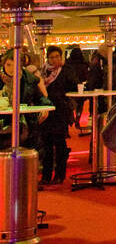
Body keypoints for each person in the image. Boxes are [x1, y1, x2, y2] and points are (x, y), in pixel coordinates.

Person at [0, 50, 51, 162]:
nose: (11, 68)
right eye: (8, 64)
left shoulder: (29, 80)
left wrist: (45, 108)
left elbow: (41, 98)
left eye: (15, 65)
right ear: (3, 64)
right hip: (3, 123)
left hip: (24, 124)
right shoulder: (1, 79)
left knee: (22, 153)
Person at [39, 45, 74, 186]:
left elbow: (73, 85)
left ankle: (60, 174)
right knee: (46, 145)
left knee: (60, 144)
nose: (55, 59)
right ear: (48, 58)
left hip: (60, 111)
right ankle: (46, 176)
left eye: (57, 56)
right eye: (52, 57)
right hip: (47, 111)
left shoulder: (66, 71)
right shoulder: (42, 72)